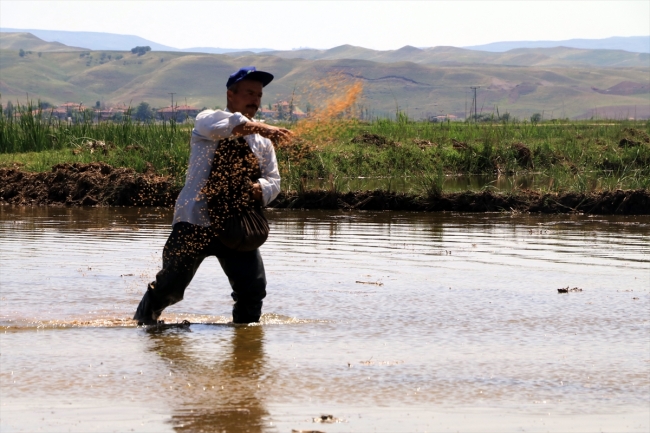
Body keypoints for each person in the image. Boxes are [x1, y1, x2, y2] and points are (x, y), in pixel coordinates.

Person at [133, 66, 293, 326]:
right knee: (170, 287)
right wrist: (263, 127)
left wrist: (259, 188)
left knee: (253, 291)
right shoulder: (208, 120)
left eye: (259, 95)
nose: (255, 99)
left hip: (237, 225)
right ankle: (143, 324)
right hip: (195, 221)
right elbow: (233, 126)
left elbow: (274, 180)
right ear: (231, 95)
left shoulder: (263, 143)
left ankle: (245, 342)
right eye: (249, 93)